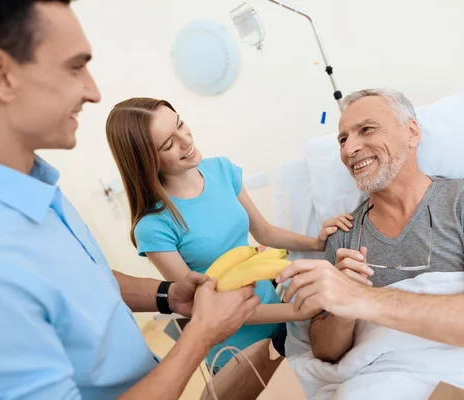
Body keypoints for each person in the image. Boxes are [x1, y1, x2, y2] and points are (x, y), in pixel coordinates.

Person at [0, 1, 261, 399]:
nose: (92, 92)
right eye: (75, 66)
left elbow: (83, 284)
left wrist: (165, 295)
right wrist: (200, 337)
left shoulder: (31, 185)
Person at [275, 88, 464, 364]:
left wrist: (362, 297)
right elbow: (325, 351)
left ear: (412, 133)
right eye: (343, 139)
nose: (350, 149)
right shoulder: (343, 236)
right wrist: (342, 311)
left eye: (367, 129)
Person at [105, 97, 354, 370]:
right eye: (168, 143)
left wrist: (316, 243)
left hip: (281, 320)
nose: (186, 140)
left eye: (180, 125)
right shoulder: (153, 227)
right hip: (237, 352)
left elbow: (264, 232)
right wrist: (298, 310)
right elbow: (207, 308)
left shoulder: (221, 170)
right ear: (145, 161)